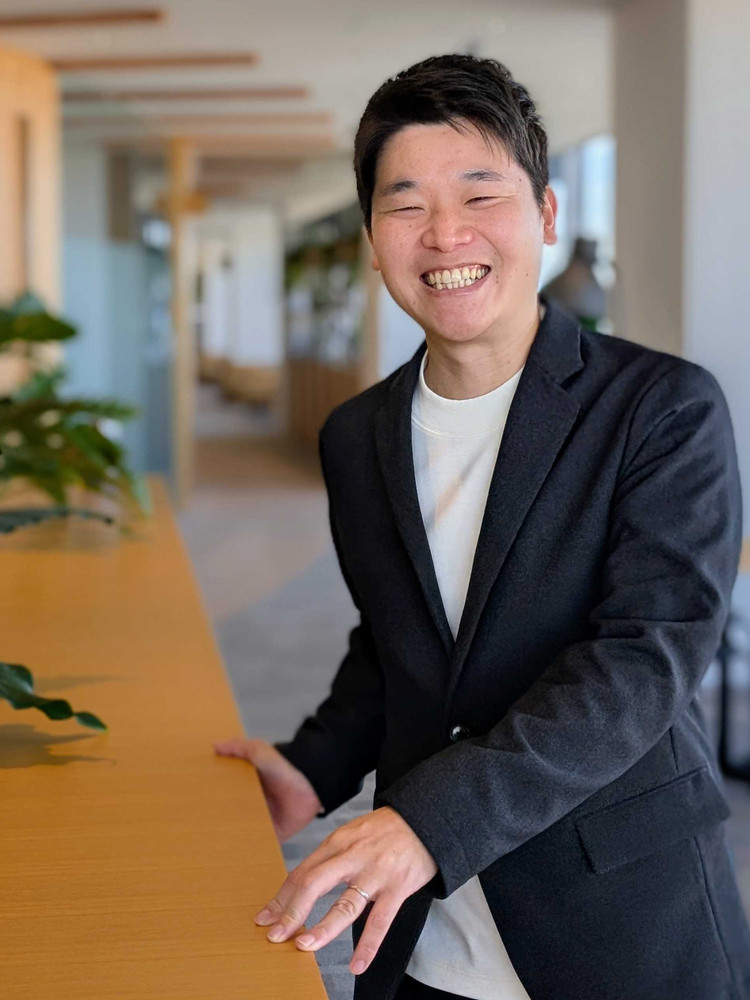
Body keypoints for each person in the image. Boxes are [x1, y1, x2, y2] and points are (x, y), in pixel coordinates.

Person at [213, 55, 750, 1000]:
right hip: (425, 941)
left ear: (544, 215)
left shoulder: (662, 410)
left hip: (619, 924)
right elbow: (397, 644)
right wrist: (310, 766)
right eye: (405, 202)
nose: (444, 233)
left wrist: (430, 824)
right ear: (375, 240)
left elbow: (643, 664)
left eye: (480, 193)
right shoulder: (357, 435)